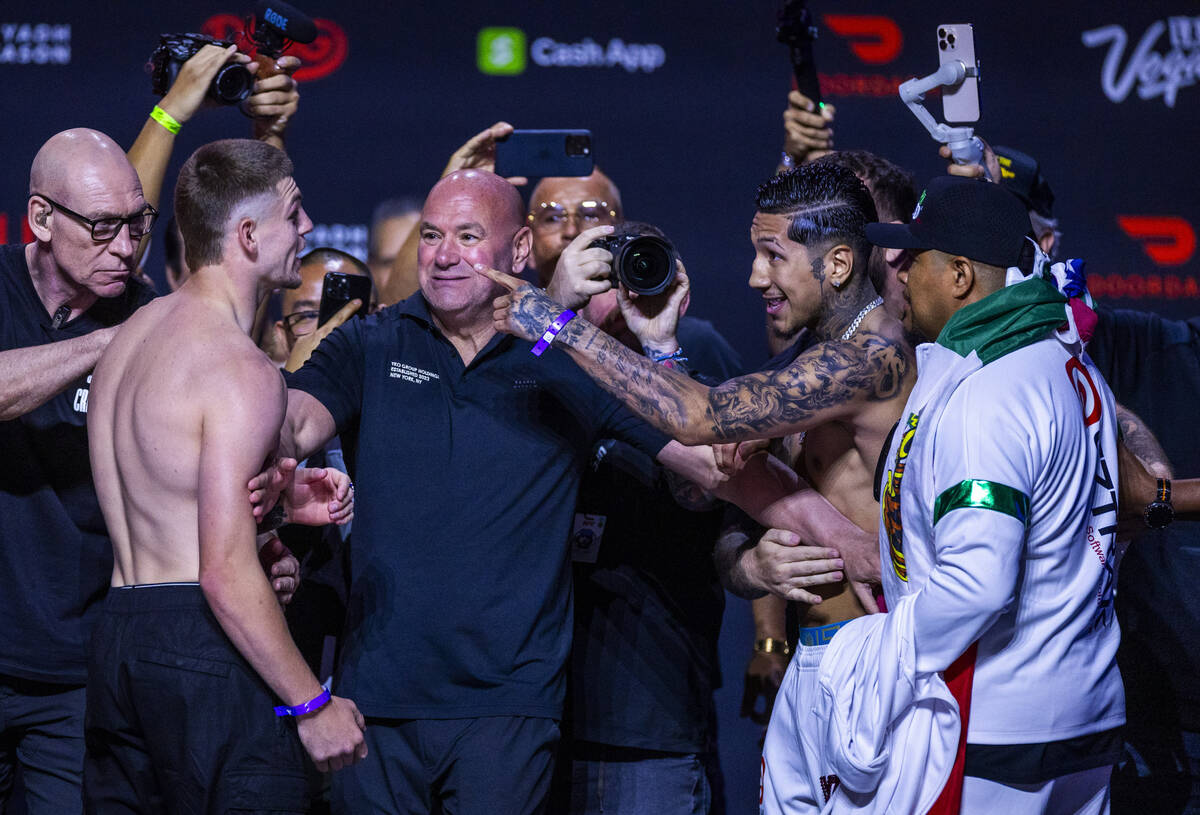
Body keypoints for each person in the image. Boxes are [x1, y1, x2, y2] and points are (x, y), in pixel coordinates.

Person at [482, 162, 915, 810]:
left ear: (839, 263)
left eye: (772, 256)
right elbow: (714, 473)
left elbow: (697, 419)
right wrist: (761, 556)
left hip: (876, 655)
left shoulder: (866, 358)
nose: (754, 278)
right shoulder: (809, 361)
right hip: (822, 656)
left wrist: (556, 323)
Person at [83, 138, 367, 813]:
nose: (308, 228)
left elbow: (175, 488)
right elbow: (223, 571)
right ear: (246, 234)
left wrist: (274, 514)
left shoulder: (130, 338)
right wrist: (312, 700)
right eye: (293, 213)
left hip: (119, 634)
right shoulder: (242, 368)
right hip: (203, 645)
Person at [860, 175, 1124, 812]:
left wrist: (874, 663)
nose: (897, 274)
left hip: (996, 729)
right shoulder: (1065, 356)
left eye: (911, 258)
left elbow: (978, 581)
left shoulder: (987, 391)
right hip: (1080, 710)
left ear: (958, 276)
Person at [542, 211, 741, 812]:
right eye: (601, 281)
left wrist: (658, 347)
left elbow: (700, 490)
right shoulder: (538, 383)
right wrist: (556, 312)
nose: (618, 298)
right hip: (531, 722)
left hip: (647, 725)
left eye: (633, 278)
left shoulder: (698, 394)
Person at [0, 127, 159, 814]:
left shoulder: (149, 316)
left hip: (77, 671)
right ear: (41, 218)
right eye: (101, 227)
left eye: (136, 224)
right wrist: (102, 343)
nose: (124, 247)